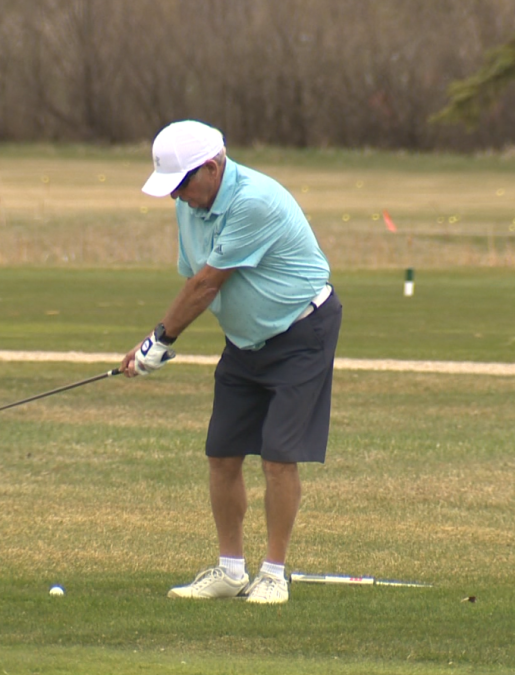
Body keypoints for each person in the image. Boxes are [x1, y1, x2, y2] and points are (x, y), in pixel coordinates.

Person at [121, 120, 341, 605]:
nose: (178, 197)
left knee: (279, 456)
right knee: (222, 452)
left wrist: (158, 341)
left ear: (214, 167)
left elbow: (206, 285)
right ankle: (229, 570)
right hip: (245, 341)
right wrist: (156, 341)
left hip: (302, 330)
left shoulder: (253, 200)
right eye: (172, 188)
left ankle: (274, 574)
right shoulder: (191, 206)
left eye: (183, 184)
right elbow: (195, 277)